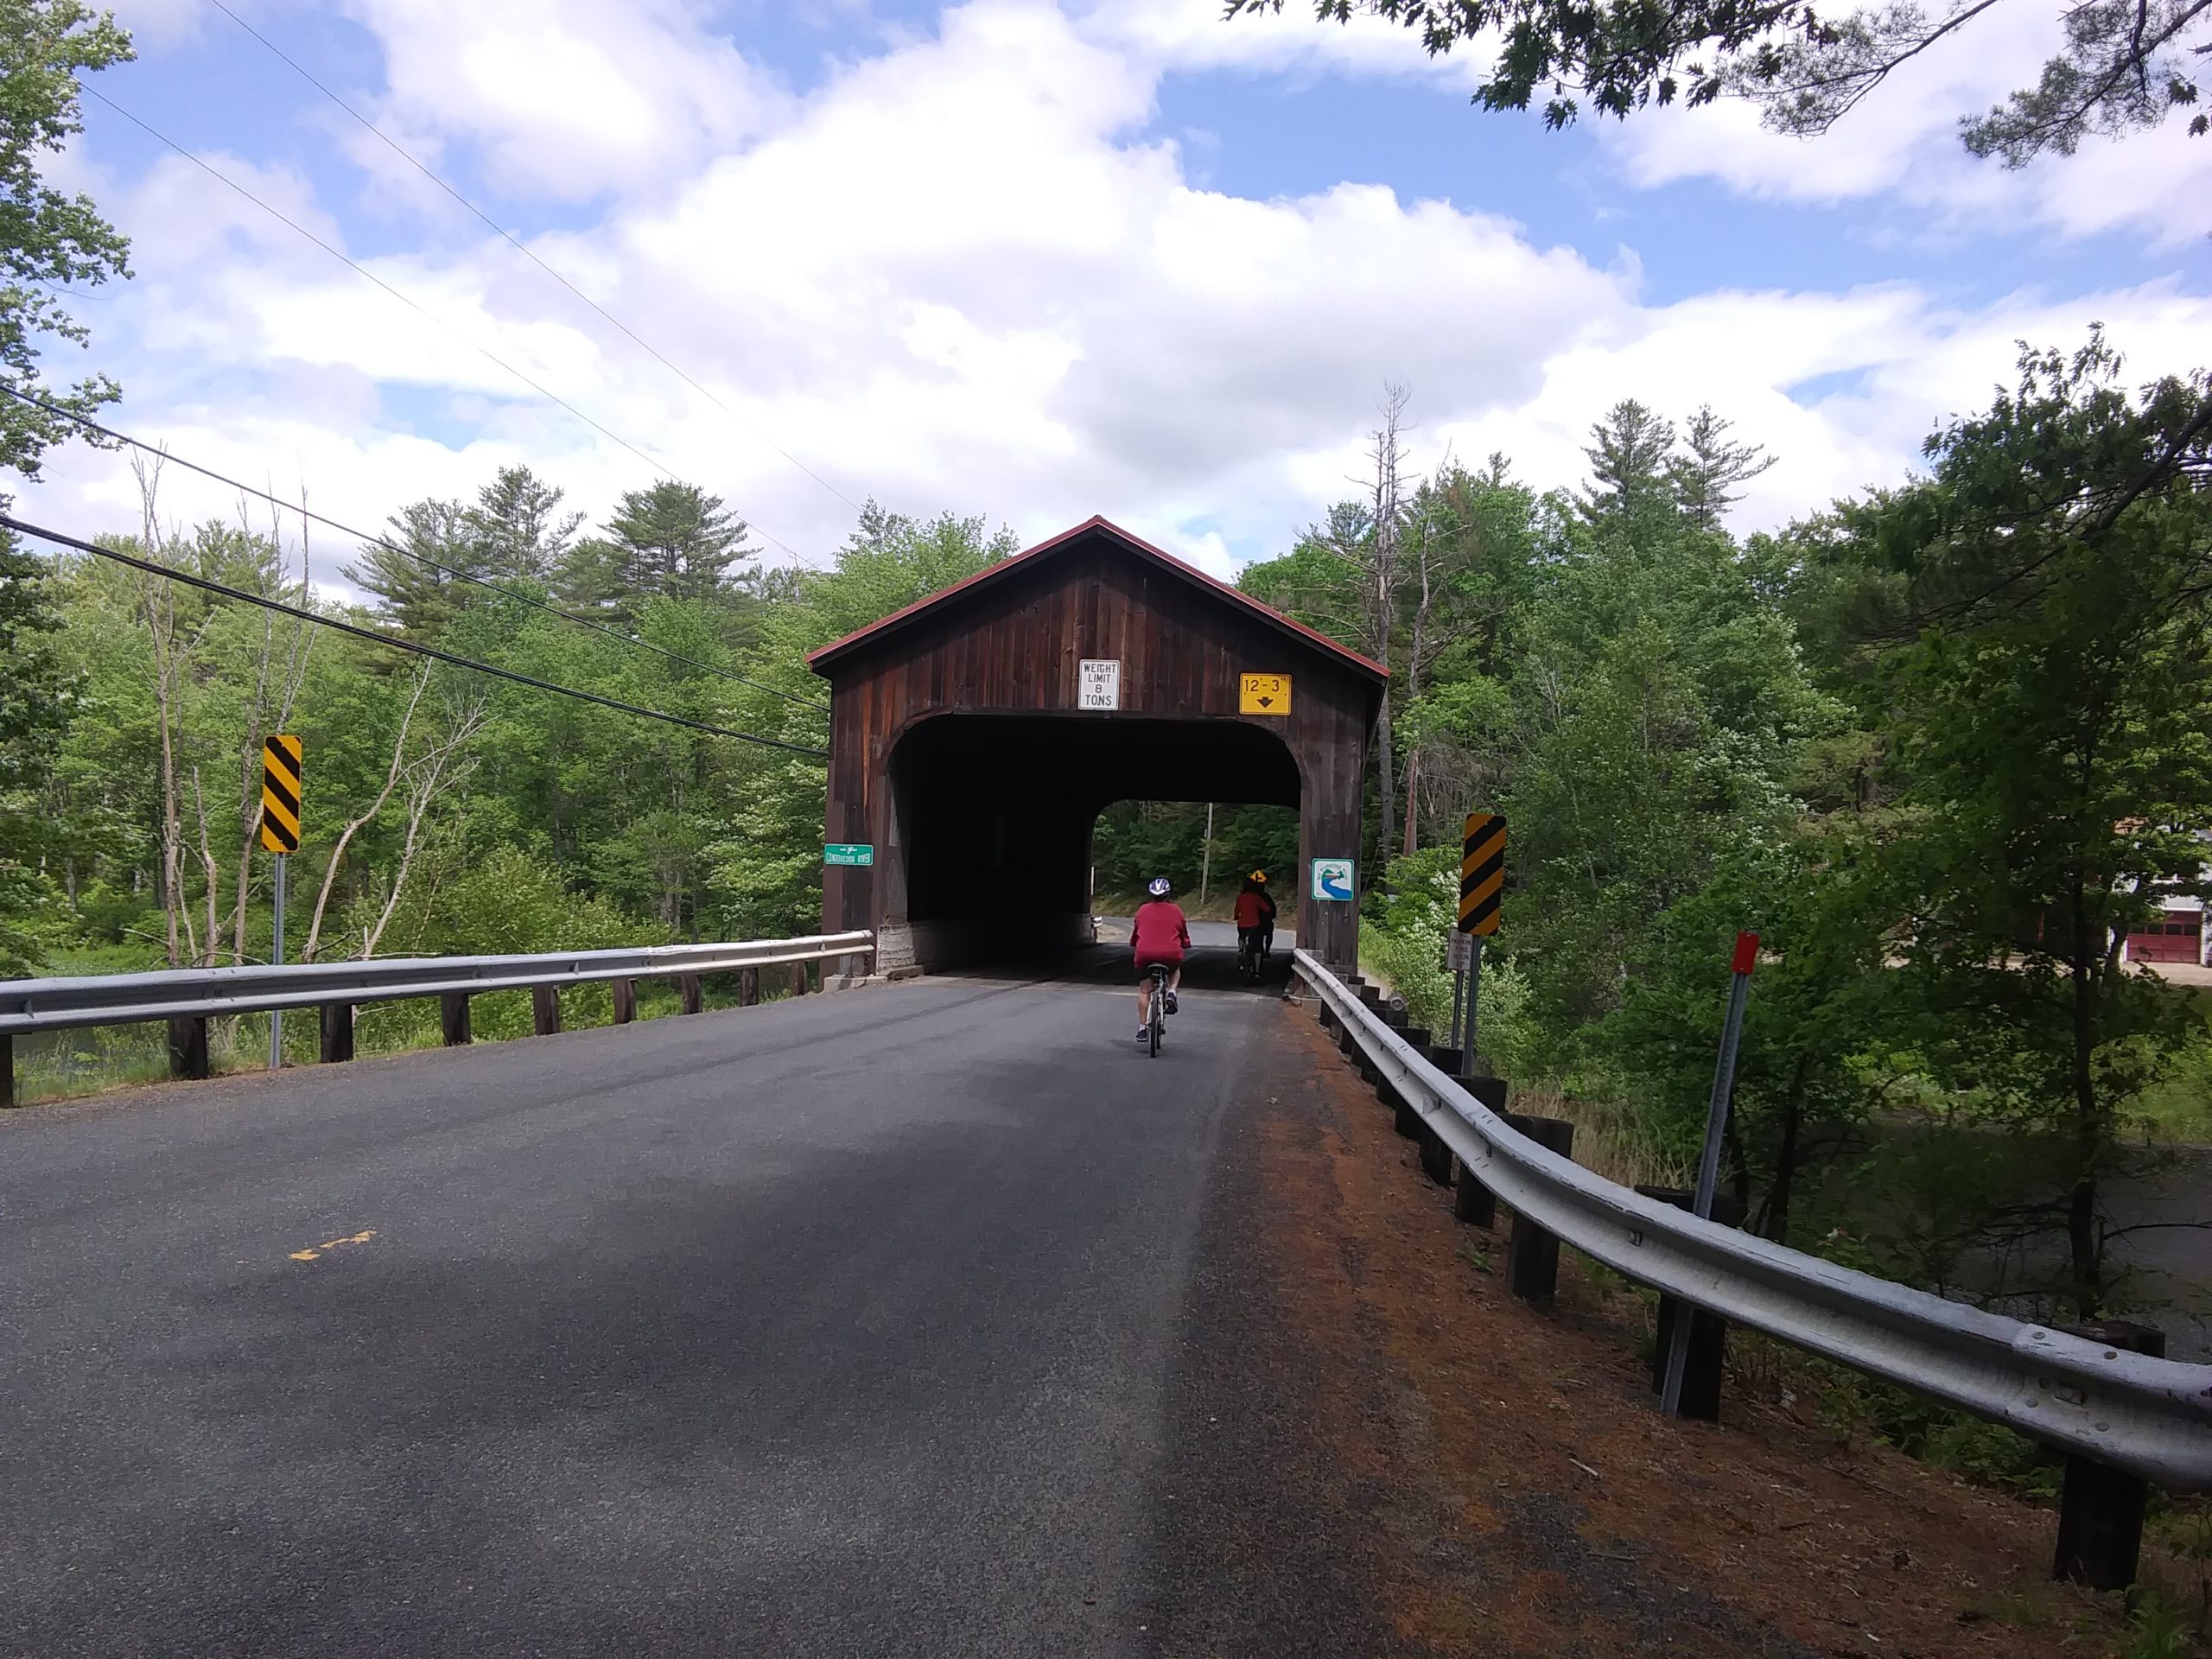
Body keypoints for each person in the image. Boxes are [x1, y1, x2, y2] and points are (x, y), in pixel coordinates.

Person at [1130, 876, 1190, 1042]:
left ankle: (1142, 1028)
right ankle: (1171, 991)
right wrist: (1186, 944)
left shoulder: (1142, 910)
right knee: (1175, 969)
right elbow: (1183, 934)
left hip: (1145, 954)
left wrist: (1133, 943)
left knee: (1144, 990)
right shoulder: (1176, 910)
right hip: (1170, 954)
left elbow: (1136, 933)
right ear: (1168, 894)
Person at [1232, 872, 1276, 974]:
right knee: (1257, 948)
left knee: (1241, 937)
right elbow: (1268, 909)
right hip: (1254, 925)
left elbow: (1236, 910)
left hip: (1242, 925)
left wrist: (1236, 917)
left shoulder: (1240, 897)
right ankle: (1257, 970)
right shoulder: (1256, 898)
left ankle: (1241, 949)